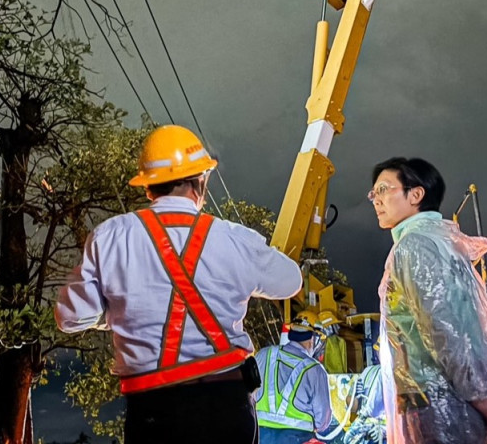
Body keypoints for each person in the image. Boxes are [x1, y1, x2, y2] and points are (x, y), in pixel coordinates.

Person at [55, 125, 303, 444]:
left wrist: (112, 314)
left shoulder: (110, 238)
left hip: (153, 413)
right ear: (201, 182)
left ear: (148, 189)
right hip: (227, 406)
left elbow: (69, 316)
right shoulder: (232, 238)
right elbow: (290, 281)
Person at [369, 157, 487, 444]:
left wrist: (478, 393)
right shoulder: (444, 244)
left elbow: (441, 324)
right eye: (374, 193)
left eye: (383, 189)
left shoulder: (414, 245)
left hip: (438, 400)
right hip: (459, 398)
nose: (375, 199)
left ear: (416, 194)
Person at [254, 313, 333, 444]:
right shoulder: (315, 370)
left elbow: (247, 394)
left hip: (260, 436)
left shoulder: (263, 355)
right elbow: (322, 421)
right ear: (313, 339)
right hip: (298, 438)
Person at [344, 344, 386, 444]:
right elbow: (353, 407)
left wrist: (385, 430)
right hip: (366, 434)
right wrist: (354, 394)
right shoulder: (368, 371)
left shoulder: (403, 379)